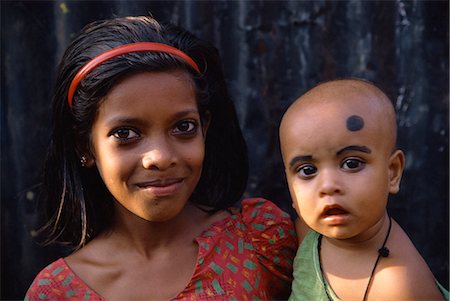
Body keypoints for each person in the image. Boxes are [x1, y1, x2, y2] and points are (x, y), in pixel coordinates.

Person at [24, 16, 297, 301]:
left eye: (183, 127)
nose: (160, 157)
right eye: (125, 133)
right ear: (85, 146)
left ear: (204, 128)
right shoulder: (57, 293)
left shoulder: (258, 241)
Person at [279, 79, 448, 301]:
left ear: (392, 172)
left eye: (351, 163)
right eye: (308, 170)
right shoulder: (310, 230)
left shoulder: (398, 287)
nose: (328, 186)